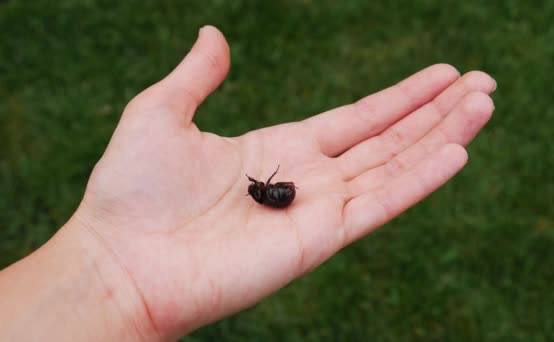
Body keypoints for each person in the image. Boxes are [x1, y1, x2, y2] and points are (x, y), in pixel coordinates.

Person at [0, 26, 496, 341]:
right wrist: (116, 273)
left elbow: (269, 191)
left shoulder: (264, 194)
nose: (259, 188)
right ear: (266, 192)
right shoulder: (265, 194)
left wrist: (112, 273)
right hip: (282, 202)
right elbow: (271, 191)